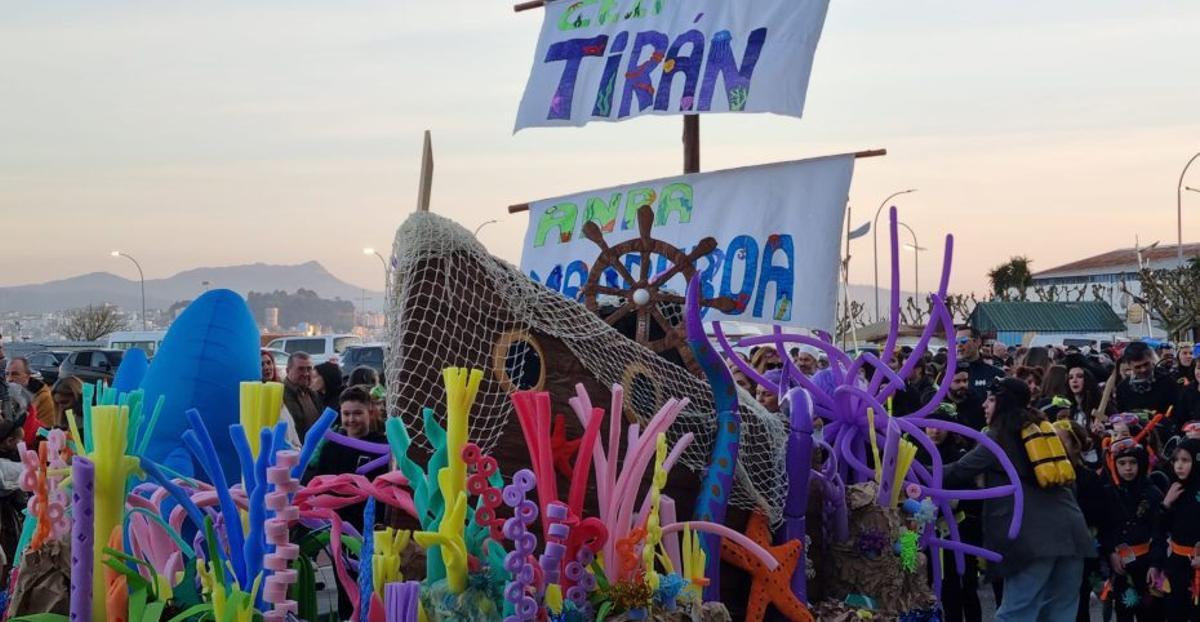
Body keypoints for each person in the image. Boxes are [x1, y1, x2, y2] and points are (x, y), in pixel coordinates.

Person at [944, 378, 1094, 621]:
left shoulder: (999, 437)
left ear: (1003, 403)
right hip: (1073, 531)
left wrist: (909, 471)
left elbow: (958, 471)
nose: (984, 405)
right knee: (1060, 612)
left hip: (1032, 538)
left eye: (991, 399)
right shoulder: (1042, 429)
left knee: (1016, 612)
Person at [918, 404, 981, 622]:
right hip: (923, 534)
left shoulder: (959, 456)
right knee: (926, 589)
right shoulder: (915, 454)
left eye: (940, 426)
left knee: (963, 588)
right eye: (930, 426)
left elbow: (971, 494)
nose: (935, 431)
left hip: (957, 533)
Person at [305, 386, 389, 529]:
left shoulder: (383, 445)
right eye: (346, 413)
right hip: (335, 523)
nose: (351, 419)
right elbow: (319, 484)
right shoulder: (331, 447)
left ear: (370, 413)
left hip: (369, 524)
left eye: (357, 413)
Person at [1099, 439, 1163, 622]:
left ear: (1141, 464)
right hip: (1122, 567)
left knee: (1151, 613)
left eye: (1133, 463)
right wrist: (1111, 552)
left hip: (1148, 566)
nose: (1128, 468)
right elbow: (1104, 528)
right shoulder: (1109, 494)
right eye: (1122, 463)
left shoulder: (1152, 493)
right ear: (1113, 465)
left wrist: (1155, 564)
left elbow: (1159, 531)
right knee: (1124, 612)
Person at [1149, 438, 1200, 621]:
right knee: (1173, 613)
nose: (1179, 466)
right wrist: (1165, 504)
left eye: (1185, 460)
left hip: (1197, 565)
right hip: (1176, 566)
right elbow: (1160, 529)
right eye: (1176, 460)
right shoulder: (1174, 488)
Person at [1117, 342, 1178, 418]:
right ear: (1129, 365)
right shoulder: (1123, 388)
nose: (1143, 370)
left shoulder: (1168, 382)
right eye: (1137, 367)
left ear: (1151, 359)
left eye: (1146, 364)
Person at [955, 326, 1005, 401]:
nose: (959, 345)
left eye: (963, 340)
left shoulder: (995, 374)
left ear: (977, 342)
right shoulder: (947, 373)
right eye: (956, 342)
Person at [5, 357, 55, 429]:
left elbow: (44, 433)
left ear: (27, 376)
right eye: (7, 374)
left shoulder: (44, 399)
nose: (9, 379)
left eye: (15, 374)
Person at [282, 352, 322, 442]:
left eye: (309, 369)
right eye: (300, 369)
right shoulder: (279, 395)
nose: (306, 373)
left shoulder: (314, 393)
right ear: (287, 371)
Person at [946, 362, 986, 431]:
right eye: (957, 381)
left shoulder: (977, 402)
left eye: (965, 381)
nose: (962, 385)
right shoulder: (939, 403)